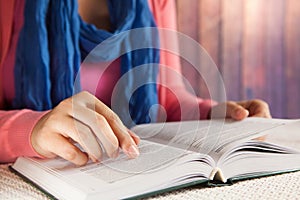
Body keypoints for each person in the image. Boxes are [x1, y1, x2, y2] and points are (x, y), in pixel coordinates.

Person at [0, 0, 271, 166]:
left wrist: (214, 114)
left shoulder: (155, 3)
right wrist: (34, 131)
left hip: (125, 172)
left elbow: (163, 98)